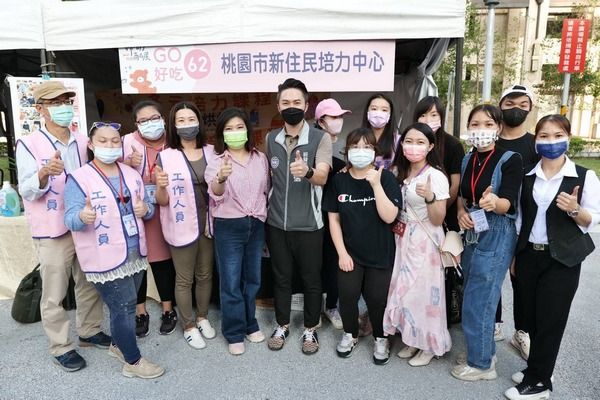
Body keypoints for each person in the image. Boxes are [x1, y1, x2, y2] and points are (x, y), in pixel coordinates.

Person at [504, 115, 600, 400]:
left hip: (562, 260)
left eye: (558, 135)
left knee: (550, 319)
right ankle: (538, 368)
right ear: (536, 141)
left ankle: (539, 384)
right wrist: (515, 255)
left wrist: (574, 209)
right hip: (528, 255)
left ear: (568, 137)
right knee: (531, 317)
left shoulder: (583, 176)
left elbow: (593, 219)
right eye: (544, 136)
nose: (551, 141)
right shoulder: (527, 176)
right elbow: (520, 220)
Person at [16, 80, 108, 372]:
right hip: (52, 229)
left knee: (89, 280)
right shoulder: (29, 144)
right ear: (40, 109)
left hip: (83, 221)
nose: (63, 108)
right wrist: (44, 172)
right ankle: (61, 346)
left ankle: (90, 330)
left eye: (66, 102)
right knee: (54, 290)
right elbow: (26, 189)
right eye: (56, 103)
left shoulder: (83, 141)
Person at [64, 122, 164, 379]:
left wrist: (146, 210)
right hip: (104, 255)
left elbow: (148, 208)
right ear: (91, 144)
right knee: (124, 307)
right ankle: (133, 361)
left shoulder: (130, 174)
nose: (110, 145)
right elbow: (70, 218)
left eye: (115, 141)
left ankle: (118, 345)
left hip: (135, 252)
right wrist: (82, 216)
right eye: (103, 141)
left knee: (126, 304)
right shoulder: (79, 178)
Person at [451, 104, 523, 381]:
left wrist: (495, 201)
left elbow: (509, 202)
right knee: (472, 292)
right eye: (475, 124)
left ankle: (481, 365)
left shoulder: (510, 159)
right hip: (473, 229)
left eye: (488, 124)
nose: (481, 130)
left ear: (498, 128)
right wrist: (461, 211)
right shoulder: (468, 158)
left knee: (481, 298)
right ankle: (481, 351)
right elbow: (463, 196)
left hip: (497, 230)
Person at [265, 78, 332, 354]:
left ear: (306, 106)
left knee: (311, 279)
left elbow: (323, 176)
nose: (290, 106)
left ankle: (310, 328)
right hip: (277, 224)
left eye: (296, 102)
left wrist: (307, 172)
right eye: (285, 102)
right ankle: (282, 324)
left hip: (309, 225)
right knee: (281, 277)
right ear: (278, 106)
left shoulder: (319, 138)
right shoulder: (271, 139)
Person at [324, 127, 400, 364]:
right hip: (350, 253)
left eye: (366, 147)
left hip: (380, 253)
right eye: (355, 146)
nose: (360, 151)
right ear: (347, 151)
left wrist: (376, 185)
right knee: (347, 295)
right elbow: (334, 220)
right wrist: (342, 253)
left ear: (375, 151)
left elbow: (390, 216)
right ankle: (351, 333)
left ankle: (380, 337)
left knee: (377, 300)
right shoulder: (339, 180)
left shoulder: (386, 178)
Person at [383, 122, 452, 367]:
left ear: (430, 146)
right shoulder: (399, 172)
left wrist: (430, 197)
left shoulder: (436, 176)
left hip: (425, 241)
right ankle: (412, 337)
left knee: (424, 293)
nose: (414, 146)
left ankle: (429, 345)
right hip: (403, 237)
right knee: (405, 291)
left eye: (420, 142)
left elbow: (438, 219)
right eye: (409, 141)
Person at [204, 107, 270, 355]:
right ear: (222, 133)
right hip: (229, 225)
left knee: (252, 279)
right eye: (229, 128)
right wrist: (221, 178)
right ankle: (233, 332)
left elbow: (266, 189)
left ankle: (250, 323)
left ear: (247, 130)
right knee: (231, 280)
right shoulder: (217, 161)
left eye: (239, 127)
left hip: (256, 224)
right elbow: (216, 194)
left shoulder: (260, 158)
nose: (235, 132)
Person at [155, 101, 216, 349]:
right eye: (180, 120)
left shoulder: (212, 151)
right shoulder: (166, 156)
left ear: (199, 122)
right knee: (184, 278)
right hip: (181, 222)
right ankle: (188, 325)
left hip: (208, 221)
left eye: (191, 119)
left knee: (205, 274)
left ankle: (202, 317)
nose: (187, 124)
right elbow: (162, 200)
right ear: (173, 125)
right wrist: (160, 186)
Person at [122, 100, 177, 337]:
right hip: (136, 210)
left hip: (167, 207)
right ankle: (140, 312)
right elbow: (110, 170)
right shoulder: (126, 142)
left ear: (163, 118)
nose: (150, 123)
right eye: (143, 120)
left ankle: (168, 309)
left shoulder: (173, 141)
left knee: (162, 261)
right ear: (136, 124)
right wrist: (127, 163)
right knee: (138, 263)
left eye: (154, 118)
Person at [495, 84, 541, 354]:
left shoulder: (536, 145)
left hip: (527, 222)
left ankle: (521, 331)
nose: (516, 109)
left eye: (523, 105)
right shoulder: (490, 141)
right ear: (500, 106)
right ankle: (494, 323)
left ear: (530, 109)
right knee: (492, 275)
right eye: (510, 104)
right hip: (494, 219)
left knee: (521, 279)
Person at [414, 96, 466, 328]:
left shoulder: (453, 145)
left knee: (444, 264)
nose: (428, 119)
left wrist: (439, 208)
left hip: (444, 215)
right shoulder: (413, 142)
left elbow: (455, 184)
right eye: (423, 115)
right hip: (417, 218)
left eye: (434, 115)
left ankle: (446, 310)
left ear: (442, 118)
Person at [314, 98, 351, 330]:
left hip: (334, 215)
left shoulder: (340, 147)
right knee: (312, 262)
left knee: (333, 259)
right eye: (333, 117)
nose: (338, 121)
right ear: (321, 121)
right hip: (311, 214)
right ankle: (313, 307)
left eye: (340, 117)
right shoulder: (313, 143)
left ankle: (331, 305)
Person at [361, 93, 398, 170]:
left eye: (384, 110)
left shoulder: (397, 140)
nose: (378, 113)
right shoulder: (358, 138)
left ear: (390, 115)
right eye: (374, 109)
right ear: (367, 112)